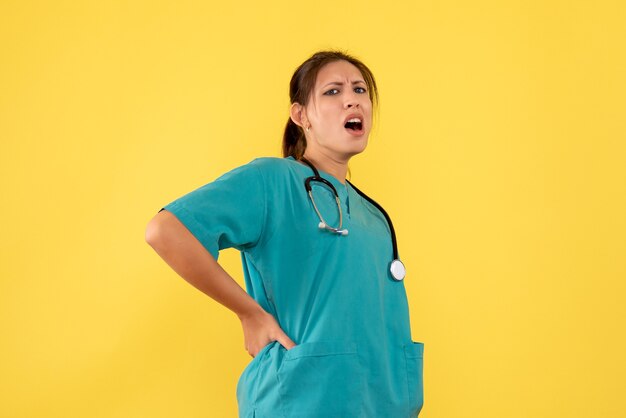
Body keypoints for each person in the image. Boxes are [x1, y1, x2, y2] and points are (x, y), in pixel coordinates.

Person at [145, 50, 424, 417]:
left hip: (373, 404)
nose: (352, 99)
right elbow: (166, 230)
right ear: (300, 115)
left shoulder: (373, 216)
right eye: (333, 91)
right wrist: (250, 313)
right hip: (300, 400)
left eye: (359, 90)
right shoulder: (272, 181)